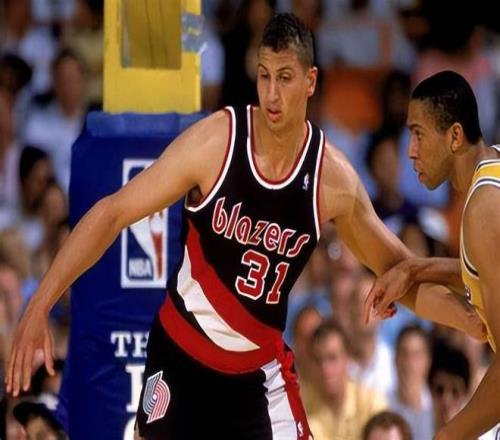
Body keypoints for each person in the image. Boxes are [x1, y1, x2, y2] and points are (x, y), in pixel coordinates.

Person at [5, 15, 484, 440]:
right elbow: (112, 212)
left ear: (311, 81)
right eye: (264, 75)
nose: (271, 93)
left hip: (257, 373)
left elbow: (400, 273)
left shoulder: (331, 178)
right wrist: (40, 302)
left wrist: (472, 319)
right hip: (182, 357)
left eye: (285, 78)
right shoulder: (217, 142)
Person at [365, 70, 500, 439]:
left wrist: (447, 436)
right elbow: (486, 270)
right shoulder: (494, 168)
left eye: (419, 134)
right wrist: (416, 269)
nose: (411, 150)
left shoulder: (484, 208)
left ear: (454, 136)